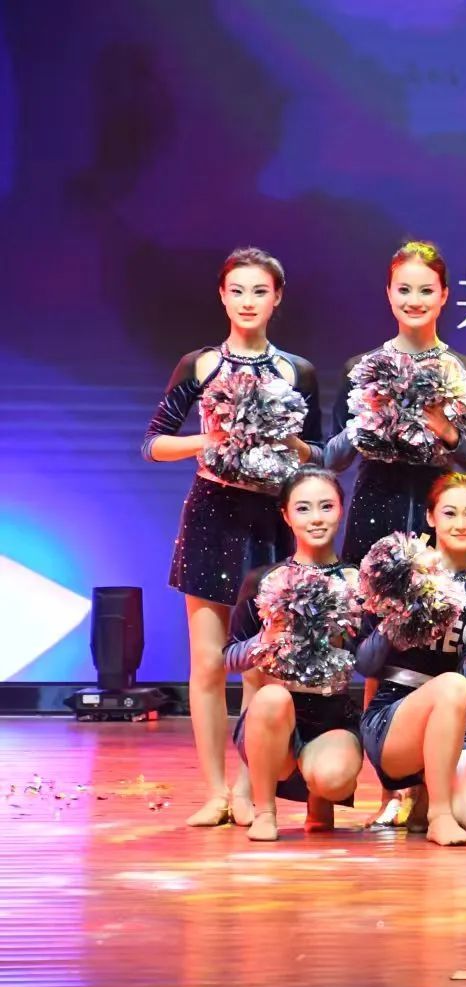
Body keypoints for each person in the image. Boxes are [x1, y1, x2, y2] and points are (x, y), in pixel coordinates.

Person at [141, 246, 321, 827]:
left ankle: (250, 787)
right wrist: (211, 440)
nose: (248, 301)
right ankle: (215, 791)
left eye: (260, 291)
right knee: (208, 663)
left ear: (277, 298)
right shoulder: (199, 365)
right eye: (237, 290)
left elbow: (320, 453)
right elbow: (153, 443)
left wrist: (285, 439)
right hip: (211, 514)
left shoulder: (296, 372)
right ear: (222, 296)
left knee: (262, 660)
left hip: (270, 517)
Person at [356, 474, 466, 846]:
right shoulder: (402, 573)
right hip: (394, 717)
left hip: (454, 720)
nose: (460, 523)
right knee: (453, 685)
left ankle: (427, 791)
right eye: (449, 513)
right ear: (430, 517)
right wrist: (399, 611)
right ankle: (440, 814)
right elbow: (366, 664)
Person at [327, 240, 466, 564]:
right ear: (389, 293)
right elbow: (333, 461)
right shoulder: (361, 369)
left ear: (444, 295)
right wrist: (368, 418)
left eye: (426, 291)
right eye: (404, 290)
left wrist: (449, 433)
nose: (414, 301)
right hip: (372, 510)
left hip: (436, 511)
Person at [225, 466, 363, 841]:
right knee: (272, 698)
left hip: (331, 714)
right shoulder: (264, 580)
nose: (316, 518)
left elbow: (371, 659)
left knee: (333, 777)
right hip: (274, 716)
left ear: (341, 509)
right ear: (286, 515)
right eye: (303, 508)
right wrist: (265, 639)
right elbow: (228, 657)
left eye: (326, 506)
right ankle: (264, 811)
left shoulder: (358, 581)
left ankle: (320, 795)